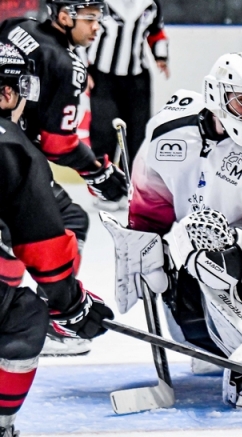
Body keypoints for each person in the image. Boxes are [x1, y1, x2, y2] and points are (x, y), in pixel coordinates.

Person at [127, 52, 242, 408]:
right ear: (216, 96)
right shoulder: (167, 130)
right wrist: (147, 255)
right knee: (193, 329)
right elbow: (148, 208)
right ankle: (218, 350)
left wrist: (239, 260)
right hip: (185, 265)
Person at [0, 41, 114, 437]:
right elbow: (43, 246)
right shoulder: (12, 146)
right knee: (24, 314)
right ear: (7, 93)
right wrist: (70, 303)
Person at [1, 0, 128, 356]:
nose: (97, 27)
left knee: (53, 222)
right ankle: (54, 318)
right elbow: (57, 143)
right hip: (13, 157)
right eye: (90, 18)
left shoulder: (15, 26)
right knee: (44, 229)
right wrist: (98, 171)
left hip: (11, 147)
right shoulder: (68, 63)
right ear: (62, 16)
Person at [85, 0, 169, 211]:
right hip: (103, 76)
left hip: (137, 78)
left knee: (137, 137)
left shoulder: (150, 4)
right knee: (104, 133)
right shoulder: (99, 3)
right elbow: (81, 32)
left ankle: (131, 189)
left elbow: (156, 32)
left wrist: (160, 57)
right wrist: (82, 67)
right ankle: (104, 189)